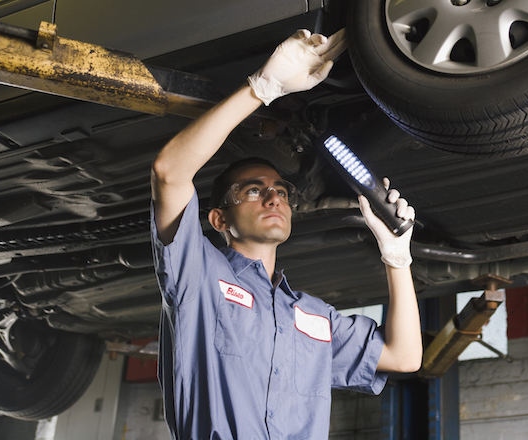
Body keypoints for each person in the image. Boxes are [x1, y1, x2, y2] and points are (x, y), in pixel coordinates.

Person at [150, 28, 423, 440]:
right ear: (219, 220)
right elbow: (169, 172)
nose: (273, 197)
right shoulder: (200, 277)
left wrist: (397, 258)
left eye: (281, 190)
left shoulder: (311, 316)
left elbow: (404, 357)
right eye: (253, 190)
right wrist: (263, 87)